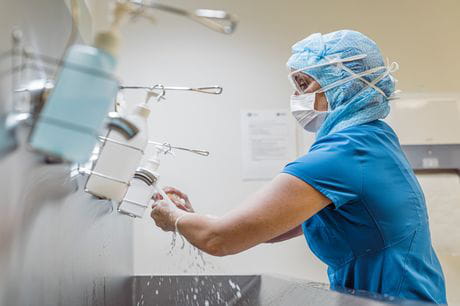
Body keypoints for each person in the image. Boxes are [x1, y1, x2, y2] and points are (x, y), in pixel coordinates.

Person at [150, 30, 447, 304]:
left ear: (341, 84)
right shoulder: (372, 139)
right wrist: (192, 219)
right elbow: (265, 228)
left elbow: (220, 239)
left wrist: (173, 218)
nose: (295, 97)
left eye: (304, 84)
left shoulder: (342, 155)